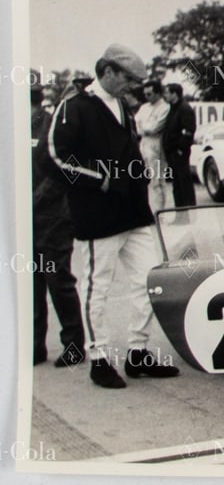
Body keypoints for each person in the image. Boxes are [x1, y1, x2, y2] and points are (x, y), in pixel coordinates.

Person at [45, 44, 179, 387]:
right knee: (98, 288)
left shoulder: (121, 105)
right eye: (128, 79)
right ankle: (99, 357)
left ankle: (138, 351)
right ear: (107, 71)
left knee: (151, 279)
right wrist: (101, 181)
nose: (133, 86)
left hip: (133, 212)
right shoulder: (73, 107)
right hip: (97, 215)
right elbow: (56, 157)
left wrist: (140, 176)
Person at [30, 85, 85, 367]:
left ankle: (74, 345)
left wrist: (32, 200)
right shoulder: (14, 127)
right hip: (27, 218)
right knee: (32, 283)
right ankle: (35, 345)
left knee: (58, 280)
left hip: (53, 215)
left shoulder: (51, 125)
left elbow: (66, 171)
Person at [134, 80, 170, 213]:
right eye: (145, 94)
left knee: (157, 180)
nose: (146, 96)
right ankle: (143, 210)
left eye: (149, 94)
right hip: (143, 143)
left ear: (157, 93)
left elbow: (154, 128)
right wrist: (144, 127)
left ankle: (159, 212)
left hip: (156, 145)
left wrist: (143, 126)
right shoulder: (144, 107)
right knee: (140, 177)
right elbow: (136, 124)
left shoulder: (165, 108)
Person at [162, 83, 197, 207]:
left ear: (174, 94)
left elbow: (189, 131)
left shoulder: (184, 108)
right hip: (172, 152)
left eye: (166, 92)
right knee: (177, 184)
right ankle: (181, 214)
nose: (164, 95)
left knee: (184, 184)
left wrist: (180, 149)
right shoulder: (173, 108)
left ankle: (189, 213)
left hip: (179, 153)